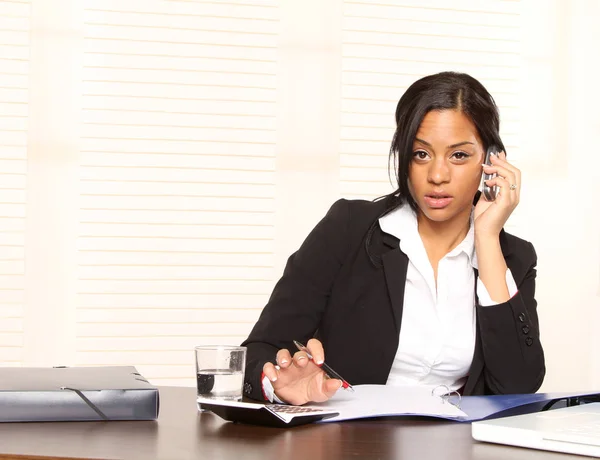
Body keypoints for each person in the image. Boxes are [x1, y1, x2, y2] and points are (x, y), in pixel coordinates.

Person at [240, 71, 545, 405]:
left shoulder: (512, 257)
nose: (437, 176)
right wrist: (278, 384)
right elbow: (259, 350)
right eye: (421, 154)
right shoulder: (348, 228)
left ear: (489, 161)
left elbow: (518, 385)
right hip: (352, 446)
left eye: (459, 155)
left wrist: (487, 238)